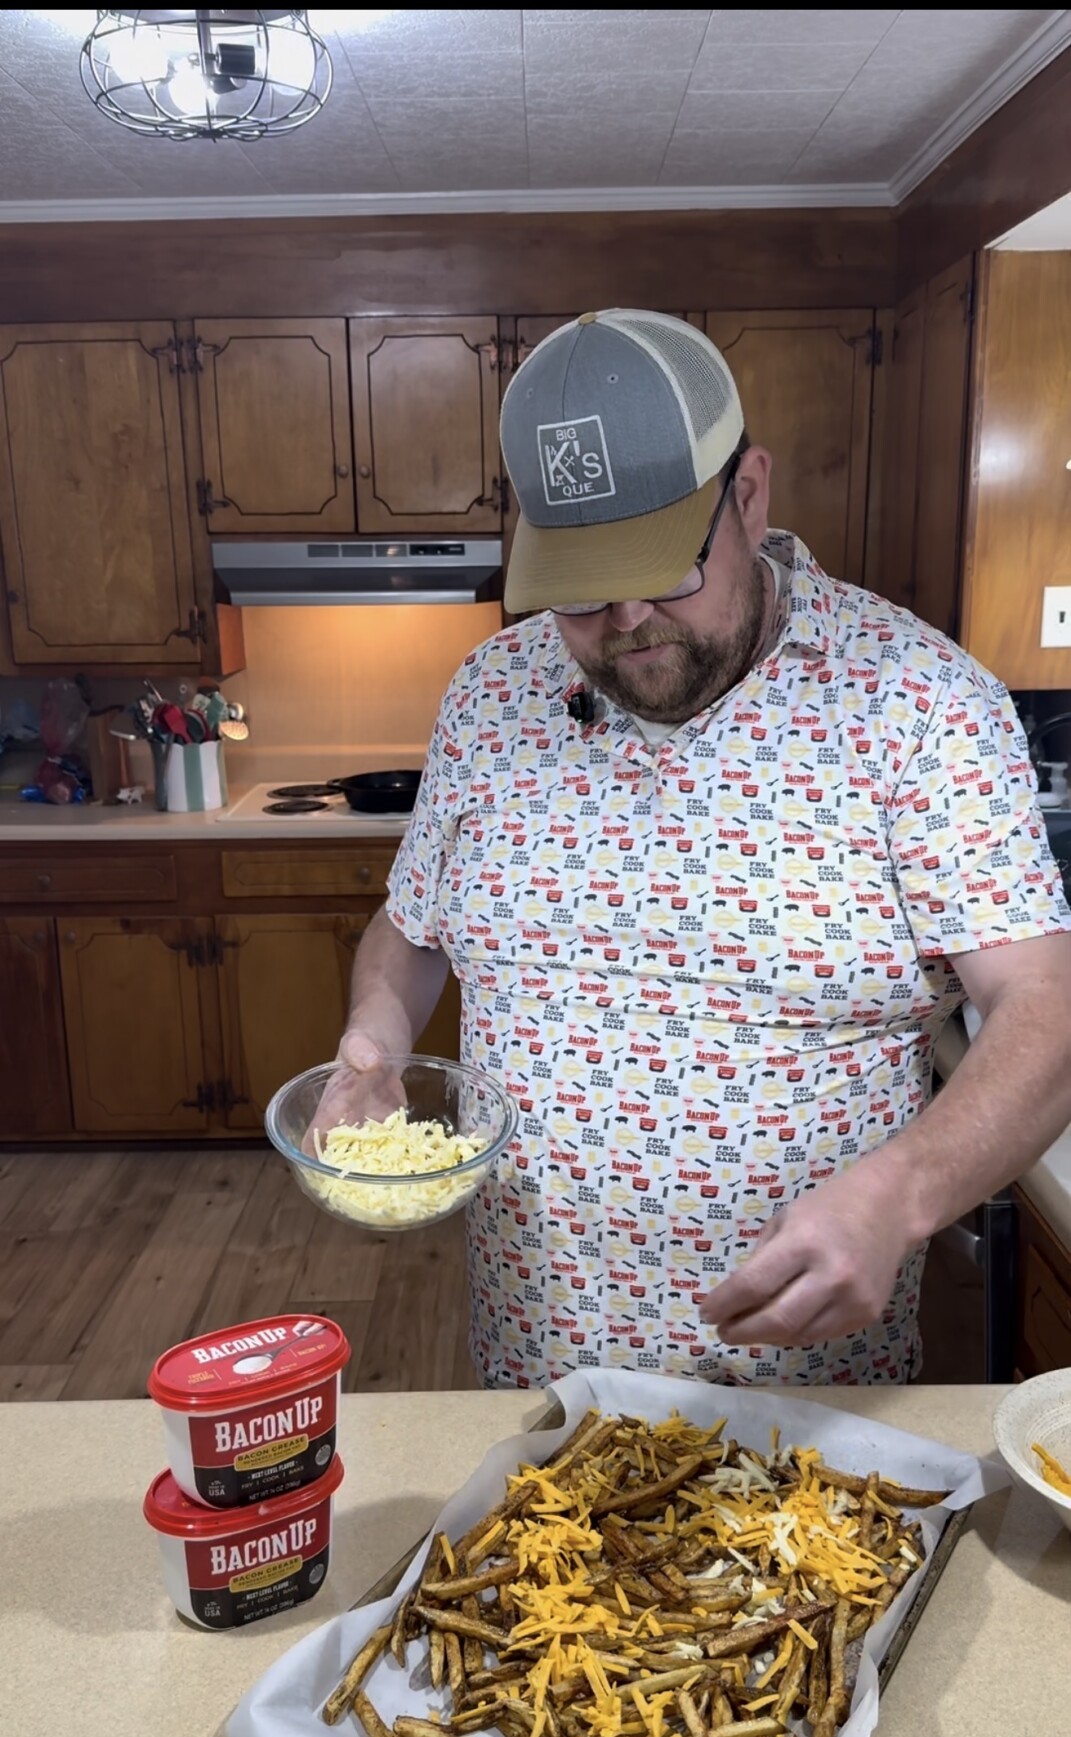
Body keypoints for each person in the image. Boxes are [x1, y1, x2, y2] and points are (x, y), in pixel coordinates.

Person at [315, 309, 1071, 1390]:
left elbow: (1047, 1008)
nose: (626, 619)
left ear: (749, 497)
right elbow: (415, 921)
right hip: (536, 1369)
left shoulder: (921, 706)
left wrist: (906, 1194)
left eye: (665, 567)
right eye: (579, 585)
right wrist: (374, 1044)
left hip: (805, 1403)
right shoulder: (492, 694)